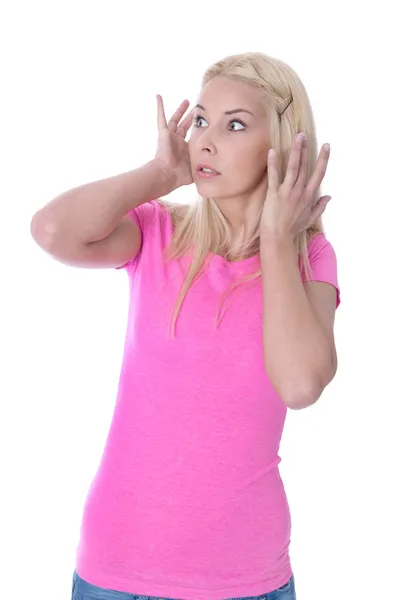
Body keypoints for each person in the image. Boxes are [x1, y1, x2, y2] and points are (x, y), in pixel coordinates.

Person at [31, 51, 340, 600]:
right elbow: (52, 230)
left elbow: (299, 385)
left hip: (245, 580)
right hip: (117, 571)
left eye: (235, 124)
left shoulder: (307, 258)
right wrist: (157, 176)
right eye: (200, 120)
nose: (205, 140)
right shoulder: (159, 232)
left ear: (282, 147)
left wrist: (274, 237)